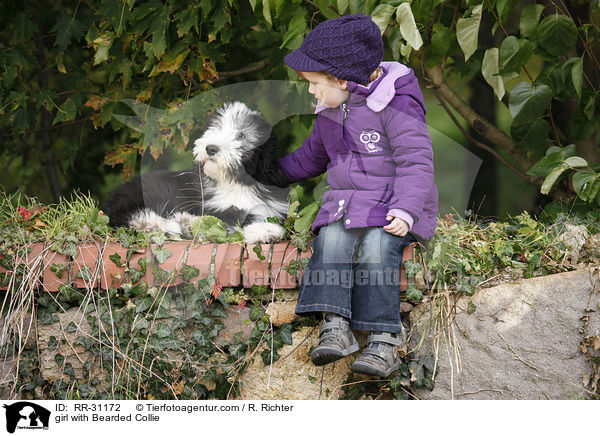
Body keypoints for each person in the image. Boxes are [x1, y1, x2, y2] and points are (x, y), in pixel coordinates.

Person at [277, 14, 438, 377]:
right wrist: (269, 171)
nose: (311, 91)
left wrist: (407, 209)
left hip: (392, 208)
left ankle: (384, 340)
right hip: (349, 207)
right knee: (330, 239)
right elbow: (310, 158)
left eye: (315, 83)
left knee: (378, 249)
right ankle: (335, 326)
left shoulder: (396, 103)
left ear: (341, 78)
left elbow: (416, 160)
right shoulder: (333, 109)